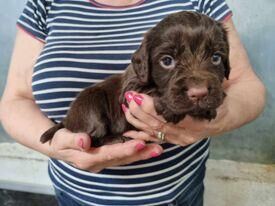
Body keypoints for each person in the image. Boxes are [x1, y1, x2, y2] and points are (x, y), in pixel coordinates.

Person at [0, 0, 266, 205]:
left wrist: (221, 117)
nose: (197, 88)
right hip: (76, 195)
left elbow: (248, 86)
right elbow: (15, 100)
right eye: (167, 60)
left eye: (216, 58)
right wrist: (60, 148)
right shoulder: (45, 4)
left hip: (176, 194)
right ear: (144, 65)